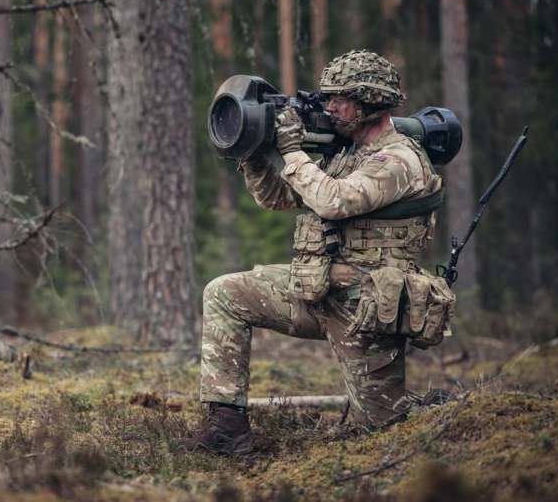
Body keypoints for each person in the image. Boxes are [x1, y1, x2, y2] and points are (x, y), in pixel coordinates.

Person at [178, 50, 446, 455]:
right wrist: (253, 155)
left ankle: (437, 408)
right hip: (316, 292)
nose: (330, 106)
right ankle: (226, 430)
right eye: (328, 97)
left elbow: (333, 201)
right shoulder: (345, 154)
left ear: (369, 102)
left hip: (366, 310)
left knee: (382, 430)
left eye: (340, 98)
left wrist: (293, 151)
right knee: (224, 293)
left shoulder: (399, 160)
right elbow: (280, 197)